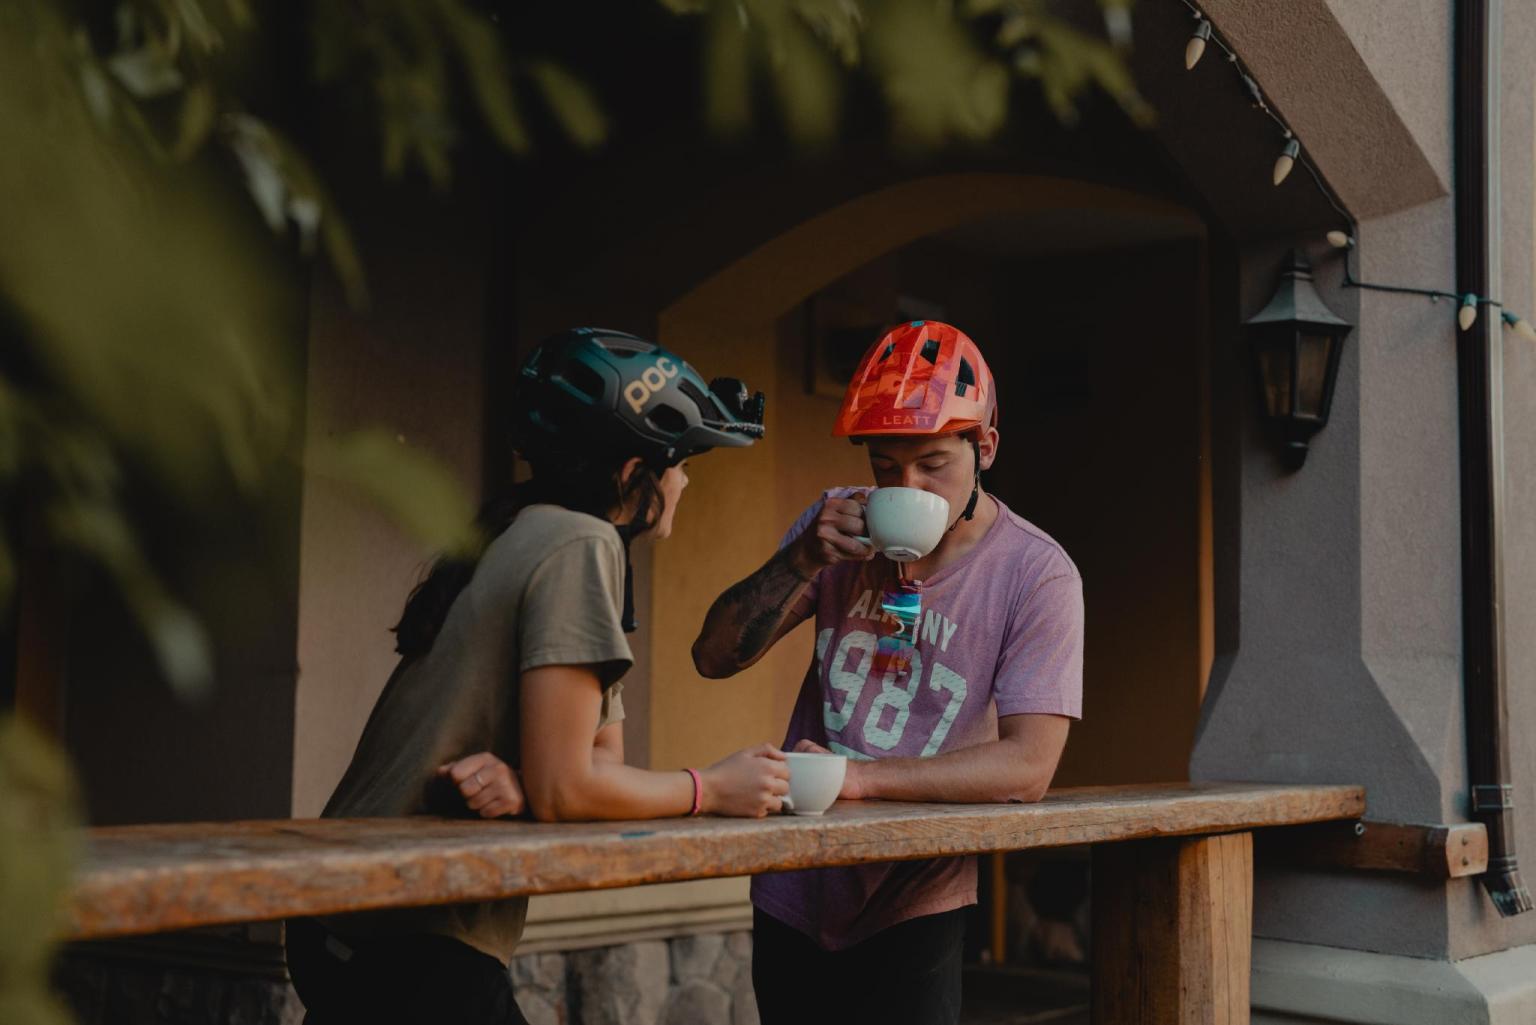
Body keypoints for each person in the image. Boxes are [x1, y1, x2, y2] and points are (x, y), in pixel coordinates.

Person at [285, 328, 791, 1025]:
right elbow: (574, 787)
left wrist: (528, 783)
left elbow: (588, 765)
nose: (685, 480)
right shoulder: (580, 544)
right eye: (679, 461)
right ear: (631, 472)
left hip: (357, 919)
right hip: (412, 933)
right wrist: (713, 786)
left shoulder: (526, 525)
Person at [693, 320, 1084, 1025]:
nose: (906, 485)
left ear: (984, 447)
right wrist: (802, 560)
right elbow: (713, 656)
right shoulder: (834, 529)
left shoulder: (1036, 572)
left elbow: (1029, 767)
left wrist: (855, 777)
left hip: (917, 893)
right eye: (884, 466)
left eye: (933, 463)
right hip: (795, 882)